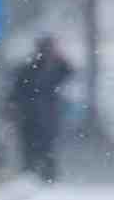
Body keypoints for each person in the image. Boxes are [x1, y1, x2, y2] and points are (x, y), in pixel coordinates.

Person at [5, 29, 73, 182]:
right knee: (32, 147)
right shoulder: (30, 68)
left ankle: (45, 175)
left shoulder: (56, 67)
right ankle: (32, 175)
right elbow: (17, 89)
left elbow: (68, 73)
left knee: (46, 147)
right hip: (32, 115)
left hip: (46, 115)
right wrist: (12, 106)